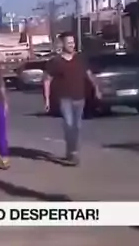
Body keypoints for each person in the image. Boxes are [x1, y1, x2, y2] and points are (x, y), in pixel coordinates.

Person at [43, 32, 101, 166]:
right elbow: (47, 80)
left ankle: (73, 151)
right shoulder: (56, 62)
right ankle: (73, 153)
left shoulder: (80, 59)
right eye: (69, 43)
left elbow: (89, 75)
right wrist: (47, 99)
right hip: (65, 99)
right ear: (63, 44)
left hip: (80, 98)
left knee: (77, 126)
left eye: (73, 42)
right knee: (69, 125)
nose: (71, 45)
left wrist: (97, 89)